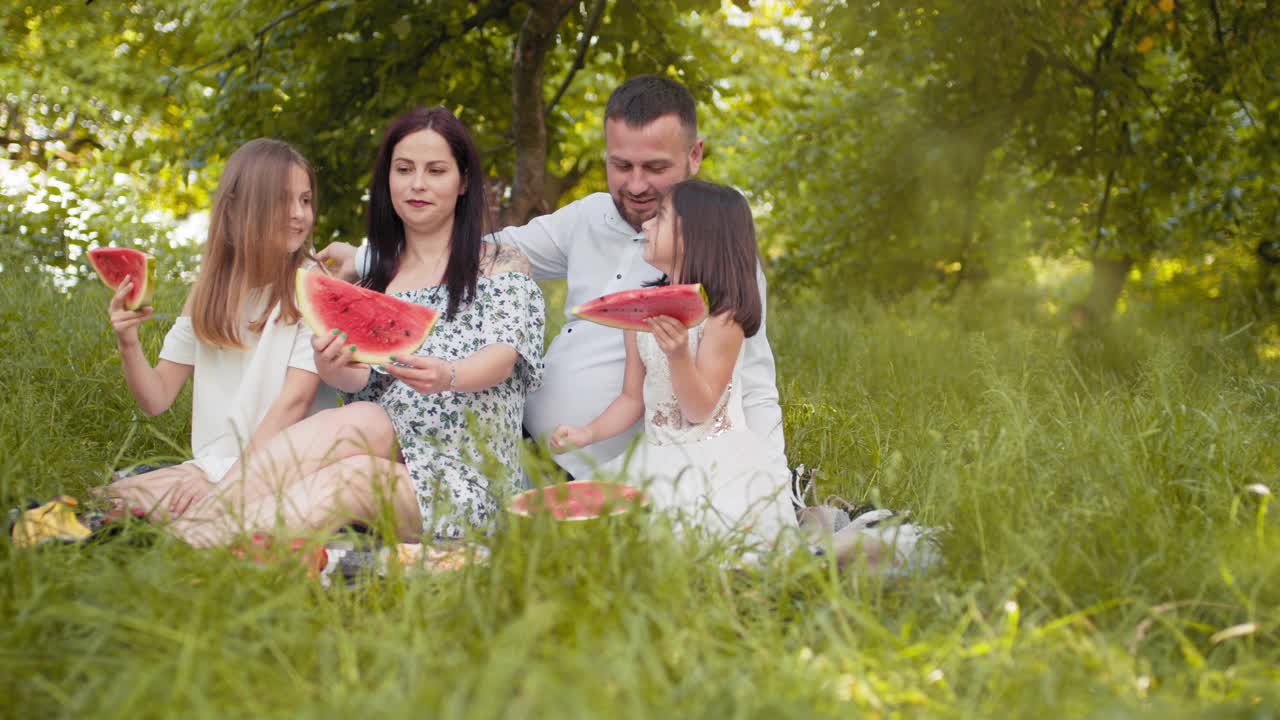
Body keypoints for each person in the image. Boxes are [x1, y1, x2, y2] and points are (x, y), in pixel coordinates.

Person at [322, 75, 786, 481]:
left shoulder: (719, 254)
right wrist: (366, 258)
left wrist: (768, 478)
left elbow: (754, 381)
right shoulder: (586, 218)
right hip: (533, 454)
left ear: (695, 155)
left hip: (626, 471)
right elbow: (478, 252)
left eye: (656, 168)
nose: (637, 185)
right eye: (621, 165)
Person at [168, 106, 544, 547]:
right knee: (358, 418)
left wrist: (450, 374)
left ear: (463, 183)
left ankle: (189, 547)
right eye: (403, 169)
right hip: (388, 453)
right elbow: (360, 383)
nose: (417, 183)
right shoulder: (373, 284)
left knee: (353, 477)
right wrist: (332, 368)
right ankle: (192, 535)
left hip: (466, 480)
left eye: (435, 170)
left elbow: (502, 357)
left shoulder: (501, 266)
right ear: (388, 180)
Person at [550, 180, 795, 548]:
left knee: (704, 546)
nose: (646, 225)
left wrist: (679, 355)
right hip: (656, 456)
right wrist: (588, 433)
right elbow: (632, 399)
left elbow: (699, 410)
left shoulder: (722, 319)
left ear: (697, 236)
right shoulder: (644, 310)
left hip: (713, 462)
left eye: (661, 218)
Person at [99, 138, 329, 520]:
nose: (299, 214)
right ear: (240, 209)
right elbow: (156, 398)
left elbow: (295, 403)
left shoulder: (312, 285)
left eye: (305, 200)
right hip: (214, 463)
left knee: (126, 501)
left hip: (282, 464)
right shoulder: (209, 291)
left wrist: (229, 480)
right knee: (104, 499)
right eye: (282, 201)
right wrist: (128, 341)